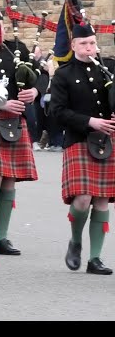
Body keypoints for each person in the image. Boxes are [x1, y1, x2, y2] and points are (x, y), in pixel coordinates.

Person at [49, 23, 115, 275]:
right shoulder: (63, 75)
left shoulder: (107, 71)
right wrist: (89, 121)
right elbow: (56, 111)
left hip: (106, 139)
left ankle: (95, 258)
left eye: (92, 43)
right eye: (84, 44)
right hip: (78, 139)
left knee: (101, 200)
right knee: (83, 198)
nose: (90, 48)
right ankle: (75, 241)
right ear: (74, 45)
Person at [0, 9, 39, 256]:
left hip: (14, 122)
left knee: (9, 179)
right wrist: (0, 103)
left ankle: (1, 237)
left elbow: (40, 75)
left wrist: (34, 93)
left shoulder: (17, 49)